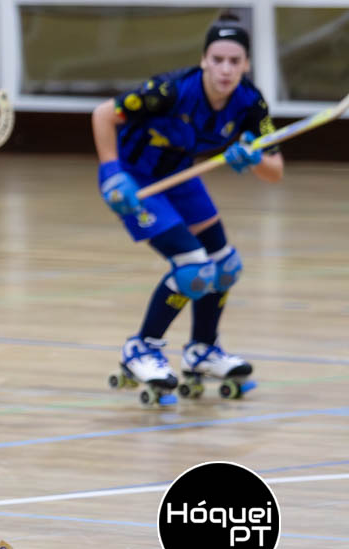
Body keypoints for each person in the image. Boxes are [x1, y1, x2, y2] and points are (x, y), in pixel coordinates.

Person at [92, 12, 282, 404]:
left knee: (224, 266)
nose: (225, 70)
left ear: (246, 64)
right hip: (133, 182)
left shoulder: (251, 103)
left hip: (179, 177)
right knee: (194, 268)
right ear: (203, 60)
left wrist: (250, 158)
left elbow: (275, 171)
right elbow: (103, 114)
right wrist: (111, 171)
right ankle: (141, 349)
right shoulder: (170, 91)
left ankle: (202, 351)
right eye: (217, 59)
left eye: (234, 61)